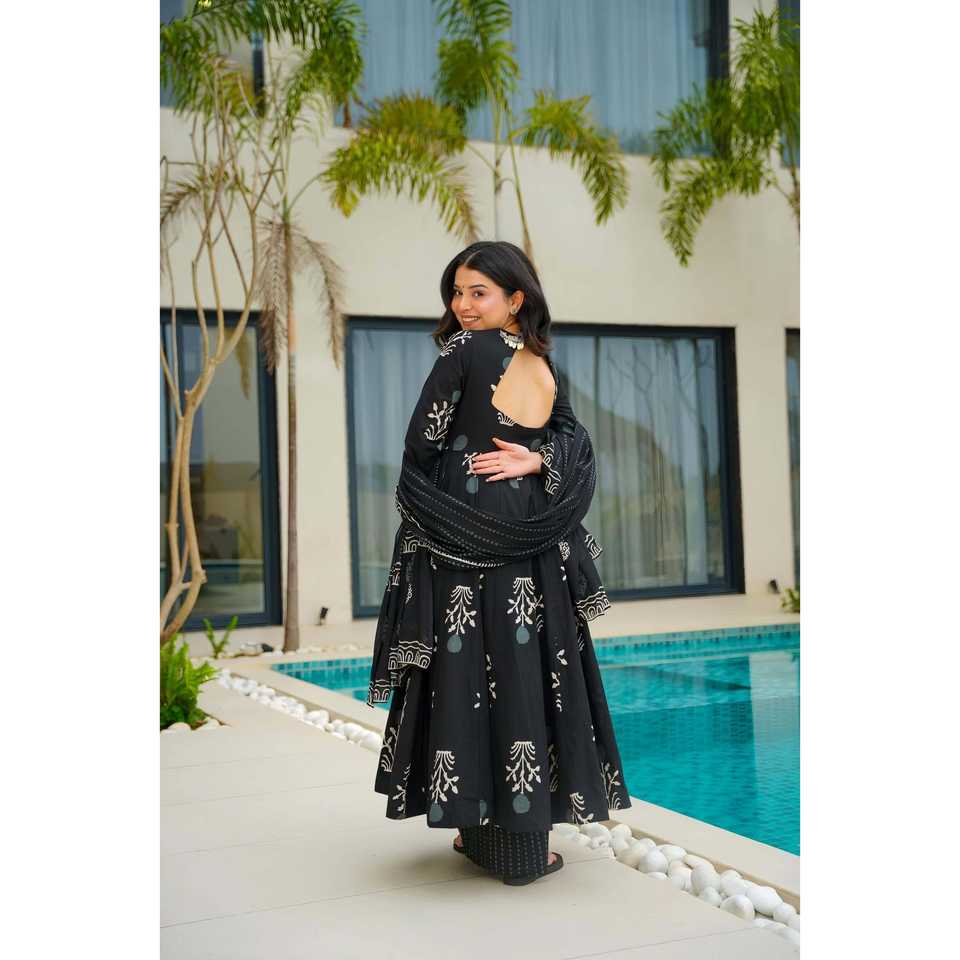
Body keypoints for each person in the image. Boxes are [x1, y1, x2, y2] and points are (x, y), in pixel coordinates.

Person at [367, 240, 632, 885]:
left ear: (516, 299)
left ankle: (477, 824)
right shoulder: (542, 362)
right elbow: (574, 440)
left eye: (478, 292)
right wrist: (535, 460)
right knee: (528, 673)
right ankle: (525, 848)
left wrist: (438, 503)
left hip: (464, 541)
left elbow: (420, 446)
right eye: (456, 292)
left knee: (464, 677)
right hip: (533, 546)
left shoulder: (464, 352)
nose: (463, 305)